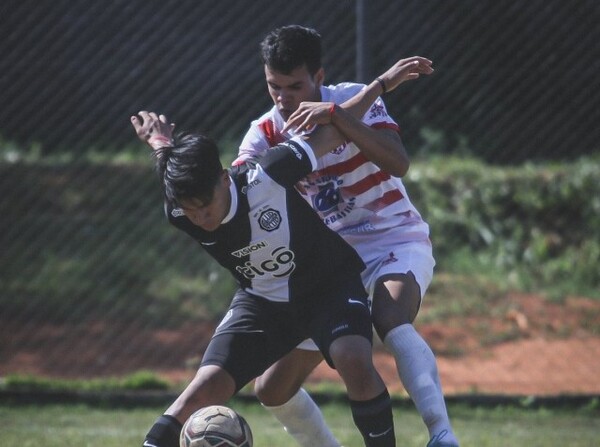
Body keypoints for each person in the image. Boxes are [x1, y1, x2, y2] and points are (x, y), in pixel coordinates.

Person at [131, 56, 433, 447]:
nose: (200, 216)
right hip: (264, 300)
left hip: (328, 285)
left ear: (225, 179)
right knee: (200, 391)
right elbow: (172, 174)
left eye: (205, 204)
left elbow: (333, 134)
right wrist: (160, 144)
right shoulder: (181, 210)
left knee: (354, 358)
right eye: (190, 210)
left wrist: (380, 85)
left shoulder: (268, 174)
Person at [235, 25, 460, 447]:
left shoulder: (349, 98)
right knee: (271, 389)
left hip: (394, 238)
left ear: (319, 77)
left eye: (294, 86)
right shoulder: (263, 133)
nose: (283, 98)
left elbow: (397, 162)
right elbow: (244, 185)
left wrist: (338, 116)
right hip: (333, 265)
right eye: (273, 86)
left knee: (389, 318)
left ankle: (441, 434)